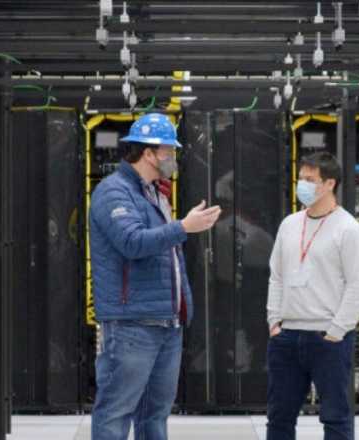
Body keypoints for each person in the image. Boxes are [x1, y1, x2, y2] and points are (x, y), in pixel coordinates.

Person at [89, 113, 221, 440]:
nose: (173, 158)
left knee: (154, 415)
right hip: (131, 323)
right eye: (168, 151)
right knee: (115, 413)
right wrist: (183, 227)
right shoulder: (113, 192)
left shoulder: (154, 193)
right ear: (148, 153)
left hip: (166, 322)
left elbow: (166, 255)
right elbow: (132, 243)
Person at [265, 152, 359, 440]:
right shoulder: (289, 224)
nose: (302, 185)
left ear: (329, 184)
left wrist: (336, 330)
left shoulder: (348, 230)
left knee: (336, 418)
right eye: (301, 178)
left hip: (328, 338)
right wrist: (274, 322)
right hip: (286, 337)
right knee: (279, 417)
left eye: (310, 180)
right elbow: (276, 276)